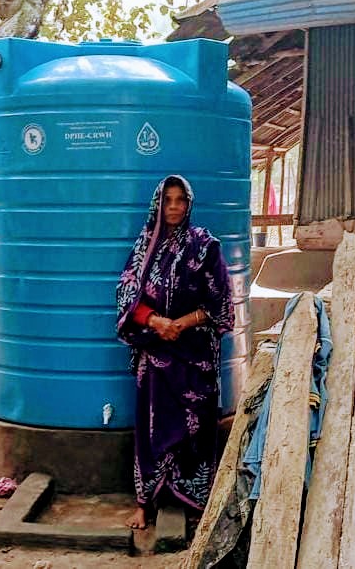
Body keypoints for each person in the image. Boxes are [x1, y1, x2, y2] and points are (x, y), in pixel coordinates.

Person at [115, 175, 235, 534]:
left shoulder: (204, 246)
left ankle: (195, 499)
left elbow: (221, 303)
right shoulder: (143, 248)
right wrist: (155, 321)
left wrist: (178, 324)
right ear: (158, 204)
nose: (173, 207)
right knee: (151, 427)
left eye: (180, 200)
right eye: (167, 200)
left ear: (189, 204)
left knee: (197, 427)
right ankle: (144, 503)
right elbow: (126, 296)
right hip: (155, 351)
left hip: (194, 353)